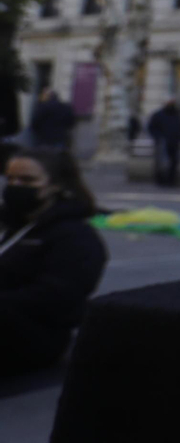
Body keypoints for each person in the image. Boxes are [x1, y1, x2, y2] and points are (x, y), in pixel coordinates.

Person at [0, 147, 107, 377]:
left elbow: (56, 297)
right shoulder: (14, 225)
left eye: (27, 180)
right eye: (10, 178)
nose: (15, 186)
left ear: (56, 185)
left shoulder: (75, 237)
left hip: (34, 335)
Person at [147, 99, 180, 187]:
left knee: (174, 162)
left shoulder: (176, 115)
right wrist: (158, 137)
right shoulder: (158, 115)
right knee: (162, 163)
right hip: (163, 142)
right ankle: (161, 180)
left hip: (174, 143)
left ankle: (171, 180)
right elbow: (151, 128)